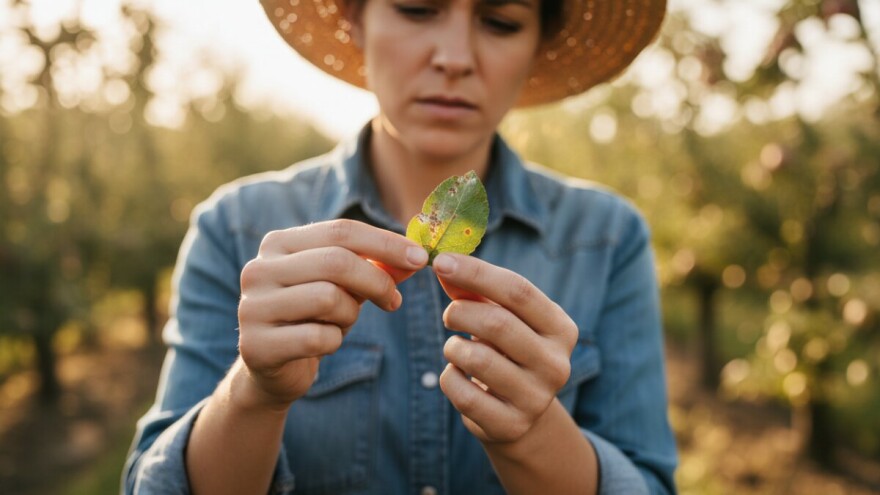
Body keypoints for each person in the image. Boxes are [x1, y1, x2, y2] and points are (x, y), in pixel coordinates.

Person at [123, 0, 677, 492]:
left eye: (501, 21)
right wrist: (255, 394)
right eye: (417, 9)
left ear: (537, 46)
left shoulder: (607, 237)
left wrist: (532, 432)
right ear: (354, 19)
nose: (455, 57)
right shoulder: (238, 228)